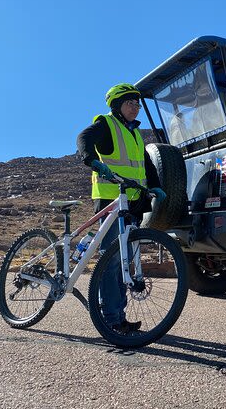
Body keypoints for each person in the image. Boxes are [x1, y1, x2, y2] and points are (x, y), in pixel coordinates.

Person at [76, 83, 166, 334]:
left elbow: (146, 164)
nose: (136, 107)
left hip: (132, 201)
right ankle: (112, 318)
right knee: (113, 259)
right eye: (130, 103)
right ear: (117, 105)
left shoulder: (135, 134)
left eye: (138, 104)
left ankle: (118, 316)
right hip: (110, 199)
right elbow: (84, 138)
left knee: (123, 258)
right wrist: (91, 160)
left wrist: (156, 186)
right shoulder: (107, 123)